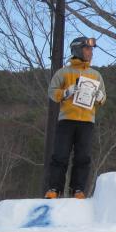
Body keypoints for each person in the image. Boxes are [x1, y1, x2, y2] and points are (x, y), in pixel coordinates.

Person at [45, 36, 106, 199]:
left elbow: (103, 98)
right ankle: (54, 189)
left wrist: (100, 97)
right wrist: (66, 92)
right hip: (66, 120)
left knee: (83, 157)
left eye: (91, 49)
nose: (90, 52)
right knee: (60, 155)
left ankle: (78, 190)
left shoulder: (96, 75)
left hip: (87, 122)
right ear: (77, 50)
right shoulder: (63, 72)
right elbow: (52, 92)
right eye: (87, 49)